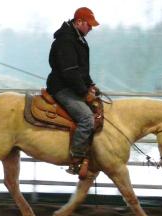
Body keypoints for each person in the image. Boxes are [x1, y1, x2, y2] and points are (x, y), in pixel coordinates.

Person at [46, 7, 100, 174]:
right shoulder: (66, 41)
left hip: (71, 85)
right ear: (79, 22)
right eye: (89, 25)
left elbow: (81, 70)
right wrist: (84, 93)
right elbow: (70, 72)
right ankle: (76, 157)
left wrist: (90, 84)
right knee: (86, 119)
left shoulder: (78, 39)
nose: (91, 28)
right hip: (62, 87)